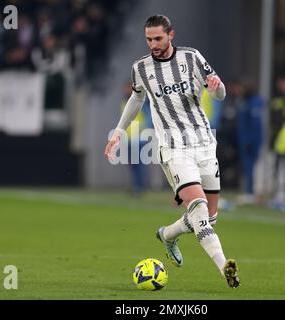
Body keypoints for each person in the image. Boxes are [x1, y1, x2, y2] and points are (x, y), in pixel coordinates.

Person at [104, 15, 239, 288]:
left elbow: (220, 93)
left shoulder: (192, 57)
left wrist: (217, 89)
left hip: (204, 144)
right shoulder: (141, 68)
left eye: (158, 38)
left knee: (210, 218)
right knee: (199, 209)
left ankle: (168, 234)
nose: (153, 44)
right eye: (149, 39)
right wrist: (118, 131)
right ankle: (224, 266)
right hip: (173, 148)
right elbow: (136, 97)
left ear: (171, 35)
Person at [235, 80, 264, 204]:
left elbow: (255, 124)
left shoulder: (254, 103)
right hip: (244, 139)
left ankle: (251, 192)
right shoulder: (243, 102)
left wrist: (250, 140)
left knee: (250, 166)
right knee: (247, 167)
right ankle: (248, 190)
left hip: (251, 141)